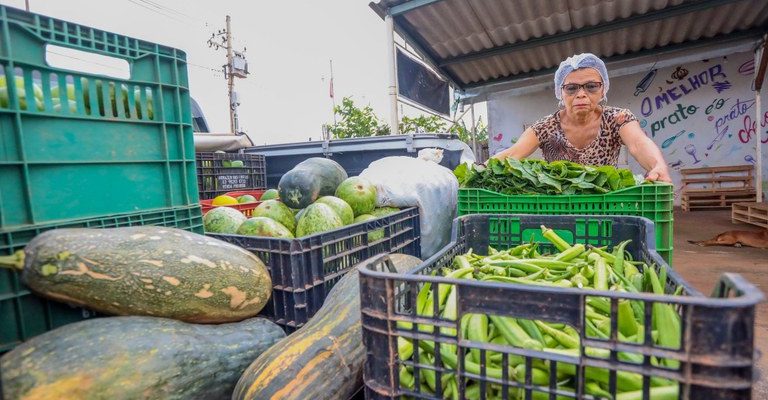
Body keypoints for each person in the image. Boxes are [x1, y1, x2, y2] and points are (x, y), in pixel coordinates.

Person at [492, 53, 671, 182]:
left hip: (605, 205)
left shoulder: (616, 119)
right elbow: (513, 153)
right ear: (560, 92)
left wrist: (657, 166)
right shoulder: (545, 127)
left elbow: (638, 144)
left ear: (603, 90)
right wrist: (479, 169)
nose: (581, 94)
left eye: (591, 86)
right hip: (561, 206)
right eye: (571, 88)